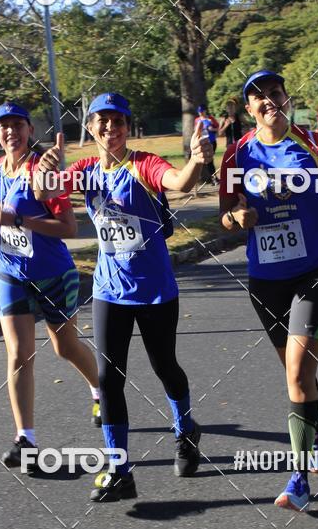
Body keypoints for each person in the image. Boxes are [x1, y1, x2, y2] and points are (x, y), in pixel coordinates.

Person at [35, 92, 214, 502]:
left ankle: (185, 429)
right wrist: (43, 172)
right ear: (91, 127)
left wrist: (196, 160)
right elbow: (46, 193)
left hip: (154, 291)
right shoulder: (85, 169)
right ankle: (119, 469)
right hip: (108, 291)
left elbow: (179, 181)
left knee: (164, 367)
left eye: (117, 121)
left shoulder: (143, 163)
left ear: (127, 126)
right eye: (101, 121)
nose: (109, 128)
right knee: (109, 378)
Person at [219, 69, 318, 513]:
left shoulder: (315, 145)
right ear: (249, 108)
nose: (268, 102)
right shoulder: (236, 155)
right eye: (258, 98)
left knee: (298, 373)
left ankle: (299, 479)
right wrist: (235, 220)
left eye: (275, 94)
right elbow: (226, 214)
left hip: (316, 272)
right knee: (296, 374)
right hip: (266, 279)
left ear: (286, 99)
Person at [0, 102, 101, 469]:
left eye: (18, 124)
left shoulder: (44, 172)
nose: (11, 131)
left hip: (53, 274)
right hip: (11, 274)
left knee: (65, 348)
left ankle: (103, 391)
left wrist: (21, 218)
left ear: (30, 130)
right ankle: (25, 439)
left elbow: (69, 229)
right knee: (19, 355)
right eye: (4, 126)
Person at [195, 104, 219, 184]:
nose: (200, 113)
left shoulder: (210, 119)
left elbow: (218, 128)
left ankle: (214, 178)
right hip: (203, 142)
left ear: (205, 111)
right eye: (199, 112)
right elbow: (195, 131)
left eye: (201, 111)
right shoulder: (197, 120)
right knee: (207, 161)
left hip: (211, 142)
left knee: (210, 160)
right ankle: (212, 178)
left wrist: (212, 129)